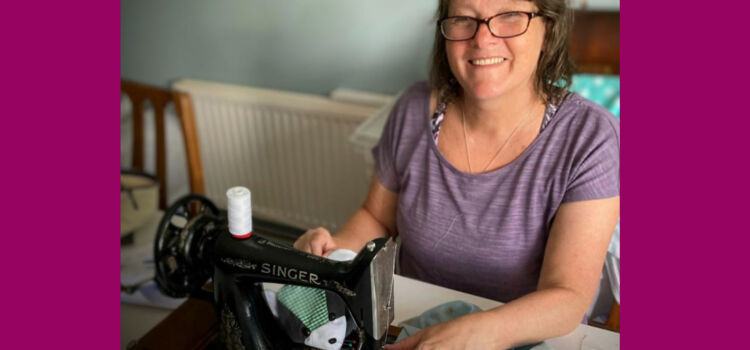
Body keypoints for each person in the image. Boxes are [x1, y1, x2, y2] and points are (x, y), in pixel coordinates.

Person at [294, 0, 620, 348]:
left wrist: (478, 331)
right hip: (412, 321)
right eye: (464, 19)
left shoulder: (591, 137)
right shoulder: (412, 109)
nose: (482, 39)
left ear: (548, 30)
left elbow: (567, 296)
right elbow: (376, 217)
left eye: (509, 16)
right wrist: (334, 254)